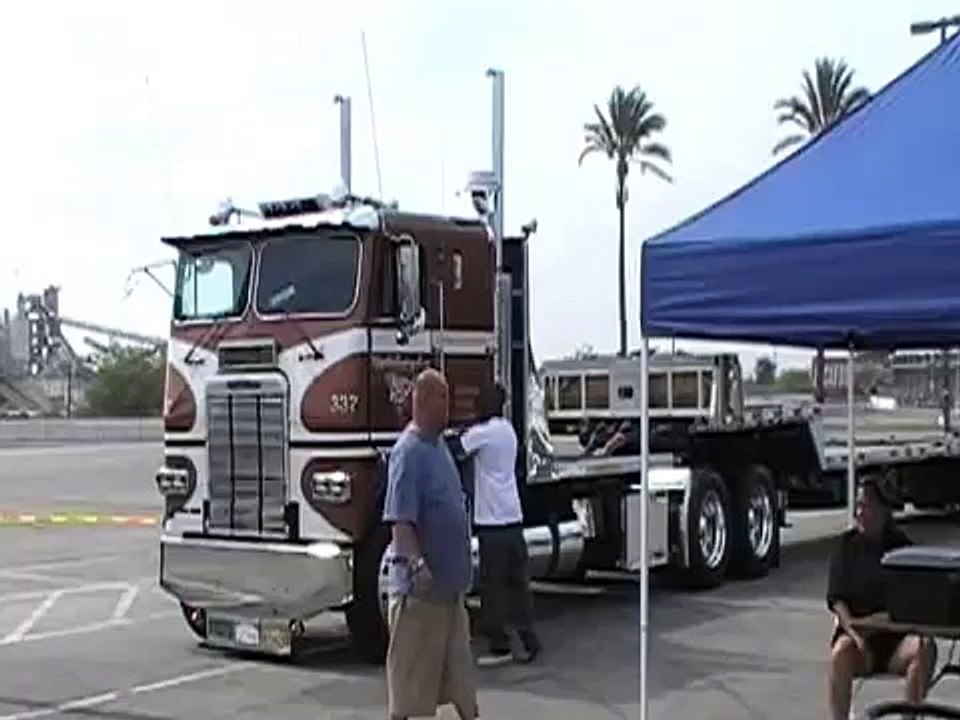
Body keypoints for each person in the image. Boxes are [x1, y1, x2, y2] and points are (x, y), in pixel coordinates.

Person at [382, 368, 479, 720]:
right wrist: (417, 565)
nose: (448, 408)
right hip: (420, 596)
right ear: (421, 401)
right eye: (442, 400)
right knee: (412, 687)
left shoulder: (439, 447)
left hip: (450, 593)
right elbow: (401, 520)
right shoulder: (408, 453)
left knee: (461, 679)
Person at [826, 477, 937, 720]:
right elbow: (837, 599)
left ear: (883, 510)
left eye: (866, 506)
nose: (859, 513)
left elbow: (912, 602)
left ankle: (909, 715)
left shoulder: (903, 549)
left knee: (924, 648)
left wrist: (881, 622)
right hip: (858, 639)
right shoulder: (846, 546)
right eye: (857, 506)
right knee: (841, 652)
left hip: (895, 639)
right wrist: (854, 632)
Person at [460, 382, 543, 666]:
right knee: (518, 583)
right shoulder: (507, 431)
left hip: (492, 522)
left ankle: (500, 645)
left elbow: (456, 448)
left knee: (492, 586)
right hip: (513, 517)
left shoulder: (481, 434)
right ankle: (529, 639)